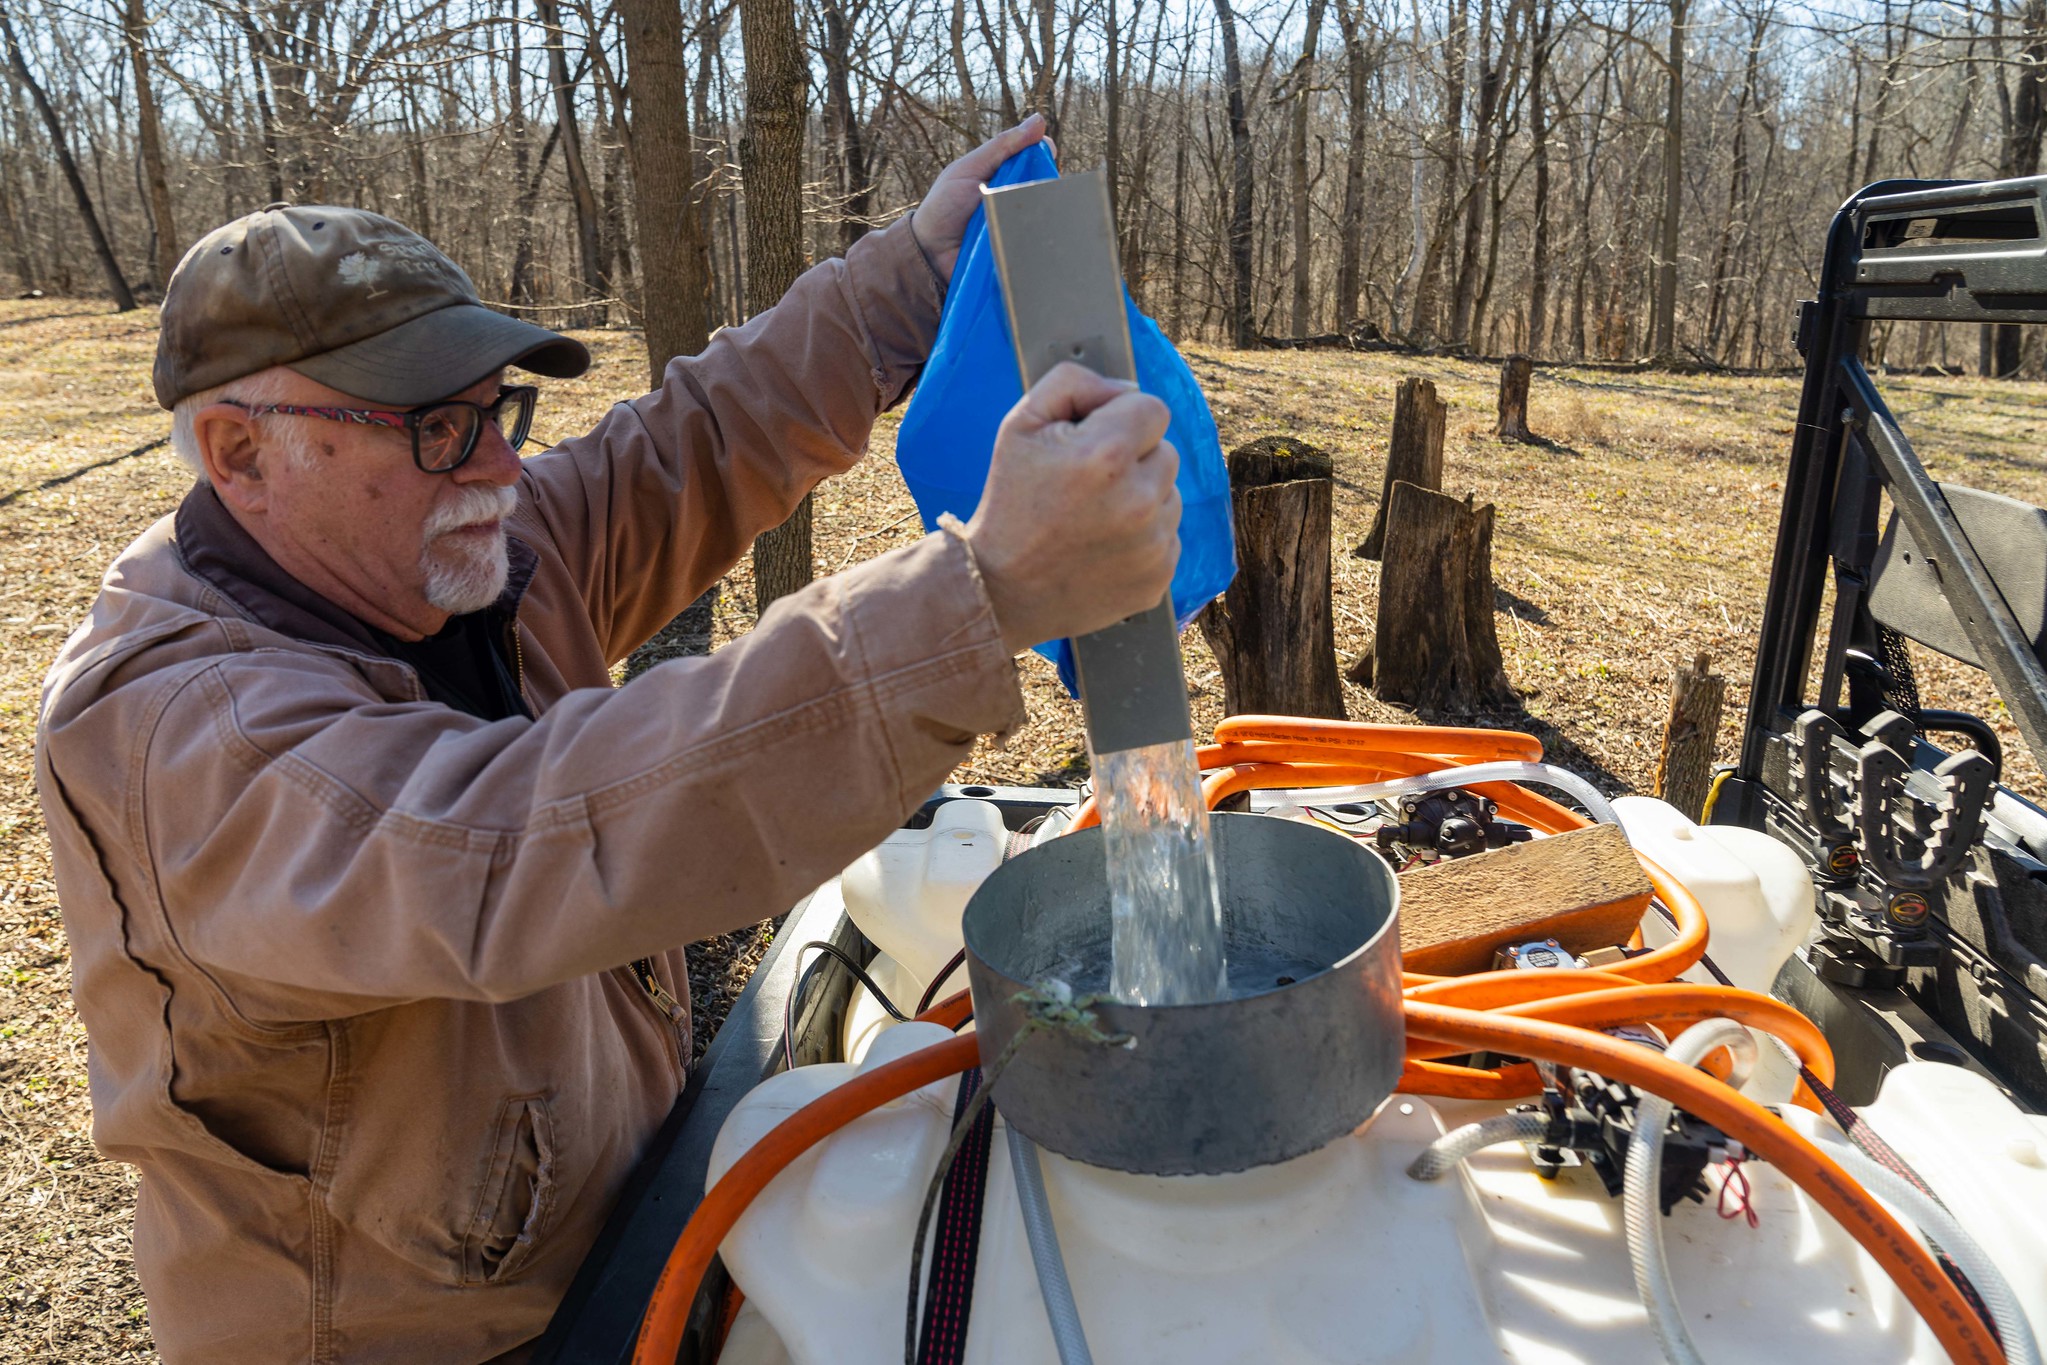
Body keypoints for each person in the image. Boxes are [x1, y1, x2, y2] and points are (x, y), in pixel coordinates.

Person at [34, 117, 1181, 1364]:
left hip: (608, 1239)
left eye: (498, 413)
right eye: (435, 430)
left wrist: (911, 270)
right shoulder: (181, 737)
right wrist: (981, 592)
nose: (498, 472)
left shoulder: (442, 553)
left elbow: (685, 447)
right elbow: (517, 840)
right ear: (241, 452)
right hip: (436, 1337)